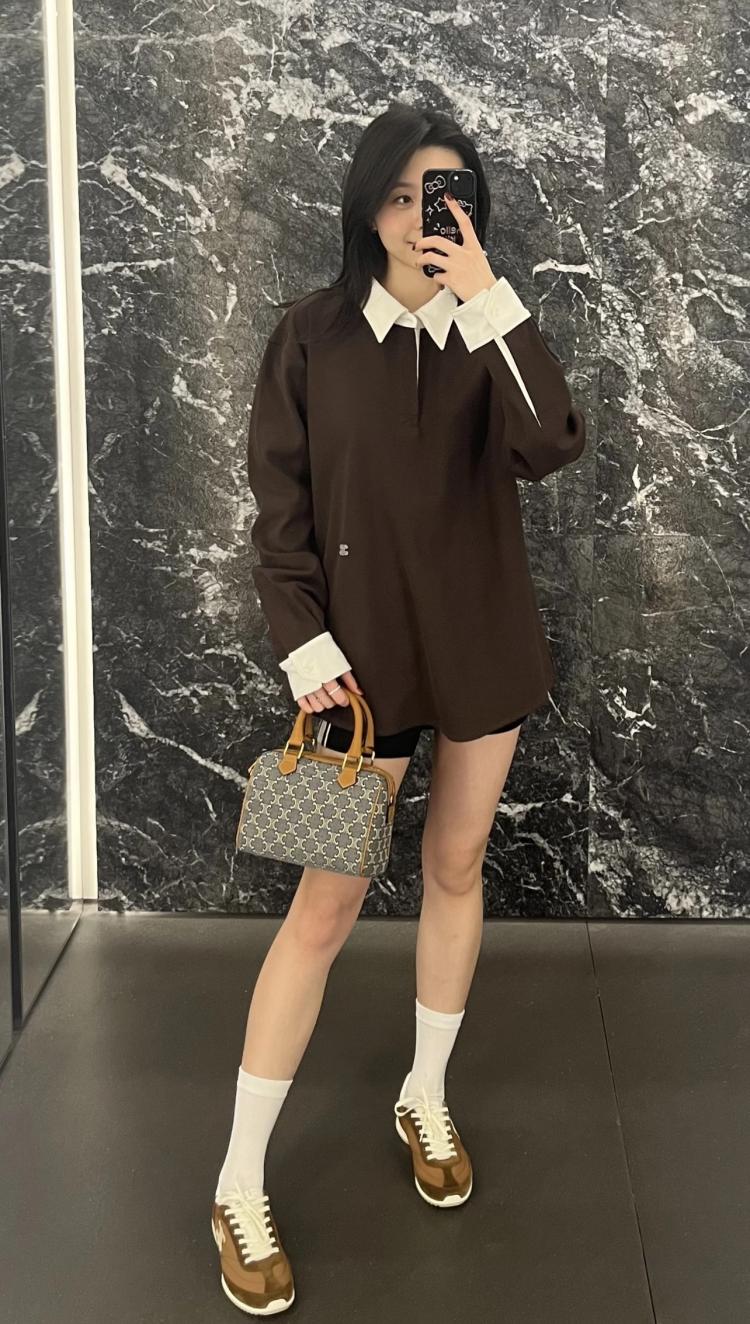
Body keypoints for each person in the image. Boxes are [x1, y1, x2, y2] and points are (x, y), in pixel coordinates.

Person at [212, 101, 586, 1314]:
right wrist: (301, 641)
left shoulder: (490, 325)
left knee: (456, 865)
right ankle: (237, 1177)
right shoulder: (311, 335)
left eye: (449, 194)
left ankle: (425, 1093)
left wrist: (487, 294)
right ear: (368, 206)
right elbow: (279, 509)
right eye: (408, 194)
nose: (428, 215)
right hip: (357, 674)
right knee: (323, 907)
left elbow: (553, 441)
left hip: (480, 651)